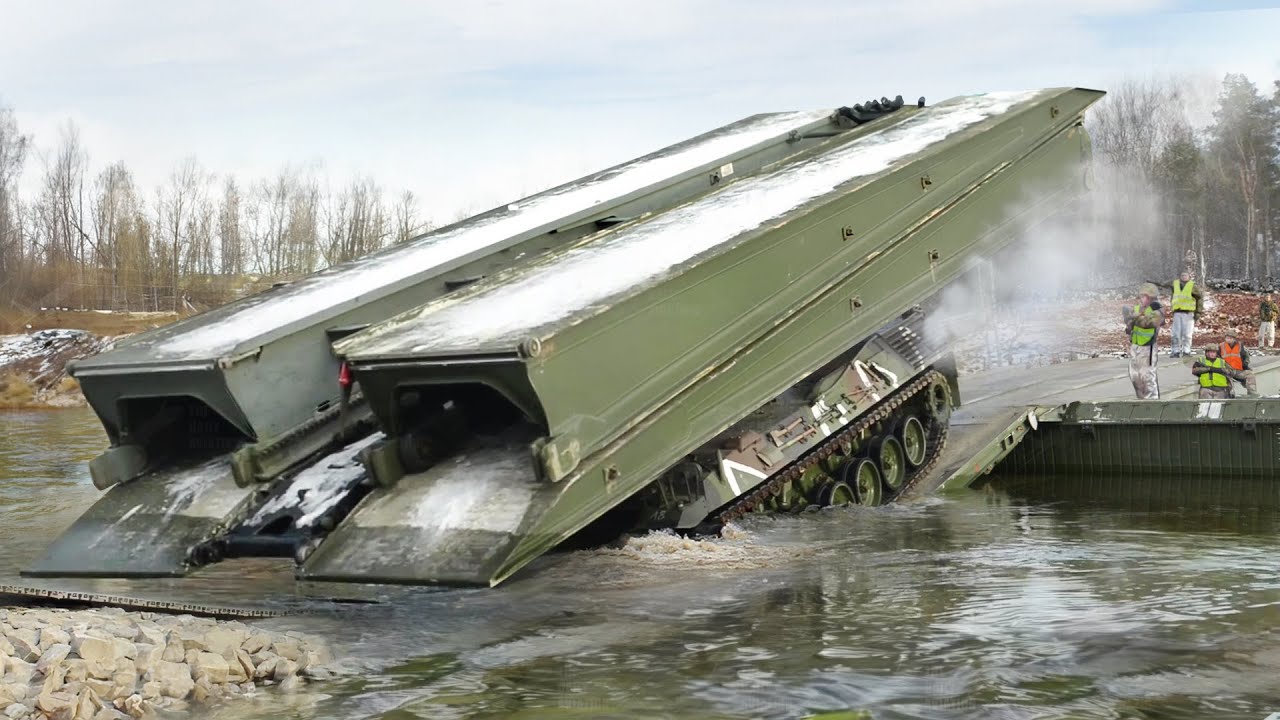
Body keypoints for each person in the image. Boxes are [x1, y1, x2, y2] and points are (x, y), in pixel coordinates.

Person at [1121, 283, 1164, 399]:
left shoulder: (1157, 311)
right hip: (1135, 346)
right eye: (1143, 296)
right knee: (1135, 376)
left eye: (1147, 297)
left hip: (1148, 348)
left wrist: (1134, 316)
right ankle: (1141, 402)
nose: (1144, 299)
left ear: (1153, 298)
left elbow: (1147, 324)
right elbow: (1130, 326)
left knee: (1147, 377)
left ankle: (1153, 402)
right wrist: (1127, 318)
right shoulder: (1137, 309)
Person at [1166, 271, 1202, 357]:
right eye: (1182, 275)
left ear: (1189, 277)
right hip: (1177, 312)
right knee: (1176, 334)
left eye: (1186, 275)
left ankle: (1187, 350)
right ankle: (1175, 351)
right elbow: (1165, 285)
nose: (1184, 277)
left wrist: (1198, 313)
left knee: (1187, 334)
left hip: (1189, 313)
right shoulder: (1175, 285)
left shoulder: (1193, 286)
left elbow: (1199, 300)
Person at [1219, 329, 1257, 396]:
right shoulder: (1220, 346)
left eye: (1230, 338)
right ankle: (1228, 395)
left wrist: (1245, 366)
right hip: (1226, 370)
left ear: (1234, 339)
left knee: (1250, 375)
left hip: (1238, 370)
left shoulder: (1240, 346)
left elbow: (1246, 357)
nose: (1228, 339)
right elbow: (1217, 358)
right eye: (1227, 338)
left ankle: (1252, 394)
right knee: (1227, 382)